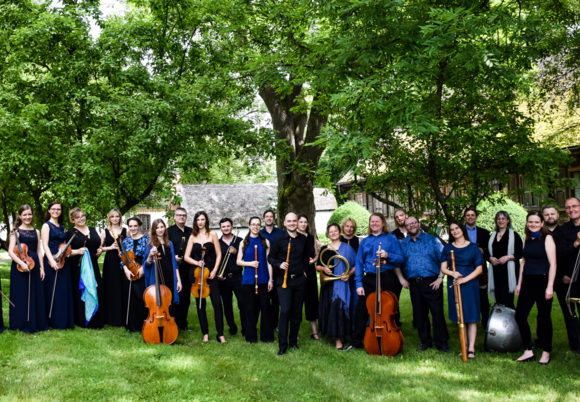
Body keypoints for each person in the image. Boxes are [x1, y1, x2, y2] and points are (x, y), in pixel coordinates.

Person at [345, 213, 404, 351]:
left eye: (377, 221)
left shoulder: (391, 238)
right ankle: (356, 342)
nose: (374, 224)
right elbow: (359, 263)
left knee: (391, 309)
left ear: (383, 223)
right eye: (372, 221)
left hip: (387, 277)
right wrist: (359, 284)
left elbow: (400, 258)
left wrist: (387, 255)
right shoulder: (365, 241)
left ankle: (393, 338)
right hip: (370, 278)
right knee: (361, 310)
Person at [398, 216, 450, 352]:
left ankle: (442, 343)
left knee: (437, 313)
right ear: (406, 227)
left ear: (419, 224)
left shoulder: (432, 240)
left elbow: (444, 259)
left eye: (414, 223)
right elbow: (397, 263)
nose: (411, 226)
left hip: (432, 281)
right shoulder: (403, 244)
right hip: (414, 283)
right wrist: (401, 279)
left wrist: (440, 278)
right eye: (408, 224)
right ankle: (425, 341)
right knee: (419, 314)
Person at [268, 212, 313, 355]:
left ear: (297, 222)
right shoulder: (278, 239)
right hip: (283, 280)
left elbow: (306, 256)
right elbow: (270, 258)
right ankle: (282, 345)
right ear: (284, 223)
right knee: (285, 311)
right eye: (289, 221)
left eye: (294, 221)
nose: (292, 223)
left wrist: (304, 271)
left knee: (297, 312)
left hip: (299, 280)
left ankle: (293, 342)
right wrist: (279, 264)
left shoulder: (303, 239)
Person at [515, 211, 556, 365]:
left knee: (544, 318)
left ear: (542, 223)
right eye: (530, 222)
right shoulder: (526, 239)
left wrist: (550, 286)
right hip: (527, 282)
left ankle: (546, 352)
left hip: (543, 281)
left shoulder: (547, 238)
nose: (533, 224)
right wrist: (519, 284)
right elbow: (523, 263)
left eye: (536, 222)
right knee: (520, 316)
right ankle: (528, 351)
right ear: (527, 223)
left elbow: (553, 264)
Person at [440, 221, 483, 358]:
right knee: (460, 316)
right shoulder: (447, 247)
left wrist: (465, 279)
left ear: (462, 229)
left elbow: (479, 269)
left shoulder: (473, 247)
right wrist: (452, 273)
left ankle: (471, 349)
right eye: (452, 229)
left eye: (457, 228)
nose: (454, 231)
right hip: (454, 283)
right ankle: (463, 346)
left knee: (471, 316)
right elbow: (443, 268)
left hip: (469, 284)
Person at [541, 205, 578, 352]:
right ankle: (542, 341)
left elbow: (570, 254)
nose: (550, 217)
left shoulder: (564, 232)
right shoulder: (539, 233)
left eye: (552, 214)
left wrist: (569, 273)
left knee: (569, 313)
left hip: (563, 279)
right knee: (543, 313)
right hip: (544, 279)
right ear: (543, 217)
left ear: (557, 215)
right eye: (546, 214)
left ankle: (576, 344)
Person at [184, 211, 225, 343]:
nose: (200, 222)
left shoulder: (213, 234)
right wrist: (197, 263)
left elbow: (219, 254)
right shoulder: (192, 236)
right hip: (197, 274)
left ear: (206, 220)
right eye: (198, 220)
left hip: (211, 272)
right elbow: (186, 257)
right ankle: (205, 333)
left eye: (202, 219)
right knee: (200, 305)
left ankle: (220, 334)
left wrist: (215, 270)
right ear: (195, 222)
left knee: (217, 303)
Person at [8, 205, 48, 333]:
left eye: (29, 214)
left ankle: (36, 323)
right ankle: (20, 323)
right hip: (19, 266)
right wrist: (22, 263)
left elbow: (38, 250)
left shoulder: (37, 231)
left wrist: (42, 268)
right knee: (21, 293)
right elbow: (10, 251)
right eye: (24, 214)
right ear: (20, 216)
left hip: (34, 265)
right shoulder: (15, 232)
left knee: (35, 293)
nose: (27, 217)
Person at [317, 223, 356, 349]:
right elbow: (317, 266)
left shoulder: (347, 248)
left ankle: (340, 337)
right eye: (330, 231)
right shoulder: (324, 249)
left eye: (335, 231)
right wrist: (324, 268)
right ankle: (337, 337)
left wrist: (349, 275)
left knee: (338, 309)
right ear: (328, 234)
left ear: (339, 232)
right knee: (331, 309)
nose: (333, 233)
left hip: (341, 284)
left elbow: (356, 265)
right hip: (328, 285)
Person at [237, 216, 274, 343]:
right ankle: (251, 337)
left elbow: (269, 262)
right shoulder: (243, 242)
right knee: (250, 308)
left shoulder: (265, 242)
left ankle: (266, 336)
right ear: (249, 226)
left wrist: (270, 279)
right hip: (248, 280)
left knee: (265, 307)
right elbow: (238, 261)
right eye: (253, 224)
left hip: (263, 279)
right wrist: (250, 263)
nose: (255, 227)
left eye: (258, 224)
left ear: (260, 226)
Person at [66, 207, 104, 329]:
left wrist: (99, 250)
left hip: (93, 264)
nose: (81, 219)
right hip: (78, 265)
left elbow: (97, 245)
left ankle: (96, 319)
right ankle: (82, 319)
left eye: (82, 216)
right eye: (77, 217)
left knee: (95, 288)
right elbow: (66, 252)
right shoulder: (70, 233)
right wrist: (77, 251)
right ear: (72, 220)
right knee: (83, 290)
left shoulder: (92, 229)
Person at [41, 201, 74, 330]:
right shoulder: (46, 225)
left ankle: (62, 319)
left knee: (62, 289)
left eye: (58, 209)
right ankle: (51, 320)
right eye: (53, 209)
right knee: (51, 289)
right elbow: (45, 245)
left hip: (62, 259)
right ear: (49, 210)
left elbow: (64, 243)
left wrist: (67, 252)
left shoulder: (62, 226)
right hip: (51, 258)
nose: (56, 211)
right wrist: (51, 260)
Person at [143, 219, 182, 321]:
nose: (160, 229)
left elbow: (175, 264)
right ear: (154, 230)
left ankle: (169, 325)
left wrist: (178, 281)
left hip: (170, 278)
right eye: (157, 228)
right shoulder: (150, 245)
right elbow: (146, 265)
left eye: (162, 227)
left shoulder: (170, 244)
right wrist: (150, 255)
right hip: (157, 279)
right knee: (159, 304)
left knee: (170, 303)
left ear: (165, 228)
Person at [488, 211, 523, 309]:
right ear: (496, 221)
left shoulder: (514, 235)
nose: (501, 221)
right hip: (495, 273)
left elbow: (521, 253)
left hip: (508, 274)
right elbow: (486, 253)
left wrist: (508, 257)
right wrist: (490, 258)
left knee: (507, 302)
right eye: (498, 219)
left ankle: (512, 318)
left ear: (508, 220)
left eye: (503, 218)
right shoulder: (492, 236)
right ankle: (501, 318)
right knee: (499, 301)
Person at [120, 217, 149, 333]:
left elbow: (149, 257)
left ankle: (144, 324)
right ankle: (132, 326)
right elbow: (122, 258)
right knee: (130, 299)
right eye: (130, 226)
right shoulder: (126, 241)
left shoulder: (147, 239)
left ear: (139, 226)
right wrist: (126, 270)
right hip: (129, 271)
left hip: (142, 270)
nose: (133, 228)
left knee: (142, 298)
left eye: (135, 226)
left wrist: (143, 269)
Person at [463, 207, 491, 328]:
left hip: (481, 269)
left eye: (472, 215)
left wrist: (483, 251)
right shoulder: (459, 231)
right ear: (465, 218)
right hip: (464, 268)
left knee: (483, 296)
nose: (470, 217)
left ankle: (486, 323)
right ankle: (466, 322)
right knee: (466, 296)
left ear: (476, 217)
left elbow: (489, 250)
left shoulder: (484, 233)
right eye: (468, 215)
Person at [217, 218, 245, 336]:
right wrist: (218, 274)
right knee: (227, 305)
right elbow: (215, 260)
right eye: (223, 226)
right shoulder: (217, 243)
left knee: (243, 303)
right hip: (224, 279)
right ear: (220, 228)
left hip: (238, 277)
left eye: (228, 226)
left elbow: (246, 256)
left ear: (232, 227)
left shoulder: (240, 240)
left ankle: (245, 328)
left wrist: (236, 252)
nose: (226, 228)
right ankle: (232, 328)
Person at [99, 209, 127, 327]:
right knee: (111, 287)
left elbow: (129, 246)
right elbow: (99, 248)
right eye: (112, 217)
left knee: (122, 285)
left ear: (120, 217)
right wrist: (110, 248)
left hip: (122, 261)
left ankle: (122, 317)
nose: (115, 219)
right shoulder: (104, 232)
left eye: (117, 216)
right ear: (109, 218)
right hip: (110, 261)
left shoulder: (125, 230)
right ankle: (110, 317)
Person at [167, 207, 193, 331]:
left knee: (186, 298)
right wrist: (174, 258)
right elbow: (166, 250)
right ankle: (173, 323)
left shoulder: (191, 231)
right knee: (175, 296)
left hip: (188, 269)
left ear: (186, 217)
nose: (181, 217)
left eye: (184, 215)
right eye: (179, 215)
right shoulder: (169, 232)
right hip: (174, 269)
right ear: (175, 217)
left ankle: (183, 324)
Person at [260, 209, 285, 331]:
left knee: (276, 298)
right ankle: (267, 323)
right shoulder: (259, 233)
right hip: (263, 269)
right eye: (267, 216)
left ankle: (274, 324)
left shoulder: (281, 232)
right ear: (263, 219)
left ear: (274, 219)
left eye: (271, 216)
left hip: (278, 269)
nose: (269, 218)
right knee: (264, 298)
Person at [560, 197, 580, 342]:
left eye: (574, 206)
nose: (571, 210)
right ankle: (576, 343)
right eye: (568, 207)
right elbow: (562, 254)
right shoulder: (564, 230)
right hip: (571, 277)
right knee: (570, 313)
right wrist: (576, 243)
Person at [297, 214, 320, 340]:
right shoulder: (294, 237)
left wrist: (314, 260)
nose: (303, 224)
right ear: (297, 223)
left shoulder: (311, 238)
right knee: (297, 302)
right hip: (298, 271)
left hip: (310, 272)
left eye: (305, 222)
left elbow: (316, 254)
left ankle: (314, 332)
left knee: (311, 301)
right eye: (301, 222)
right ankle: (295, 332)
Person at [340, 217, 360, 326]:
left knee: (356, 301)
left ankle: (355, 326)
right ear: (343, 227)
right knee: (343, 301)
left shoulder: (358, 241)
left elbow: (360, 262)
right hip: (341, 275)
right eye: (347, 226)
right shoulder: (338, 240)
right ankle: (344, 327)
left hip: (355, 275)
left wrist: (350, 273)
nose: (349, 229)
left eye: (352, 227)